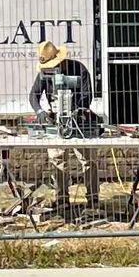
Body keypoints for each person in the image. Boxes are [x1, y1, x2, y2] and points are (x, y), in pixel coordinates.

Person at [28, 40, 101, 209]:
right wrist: (40, 112)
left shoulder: (80, 70)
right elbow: (34, 95)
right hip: (55, 120)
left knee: (89, 160)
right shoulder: (44, 74)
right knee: (57, 159)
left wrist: (75, 111)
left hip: (79, 121)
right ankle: (61, 198)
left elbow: (87, 97)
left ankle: (93, 198)